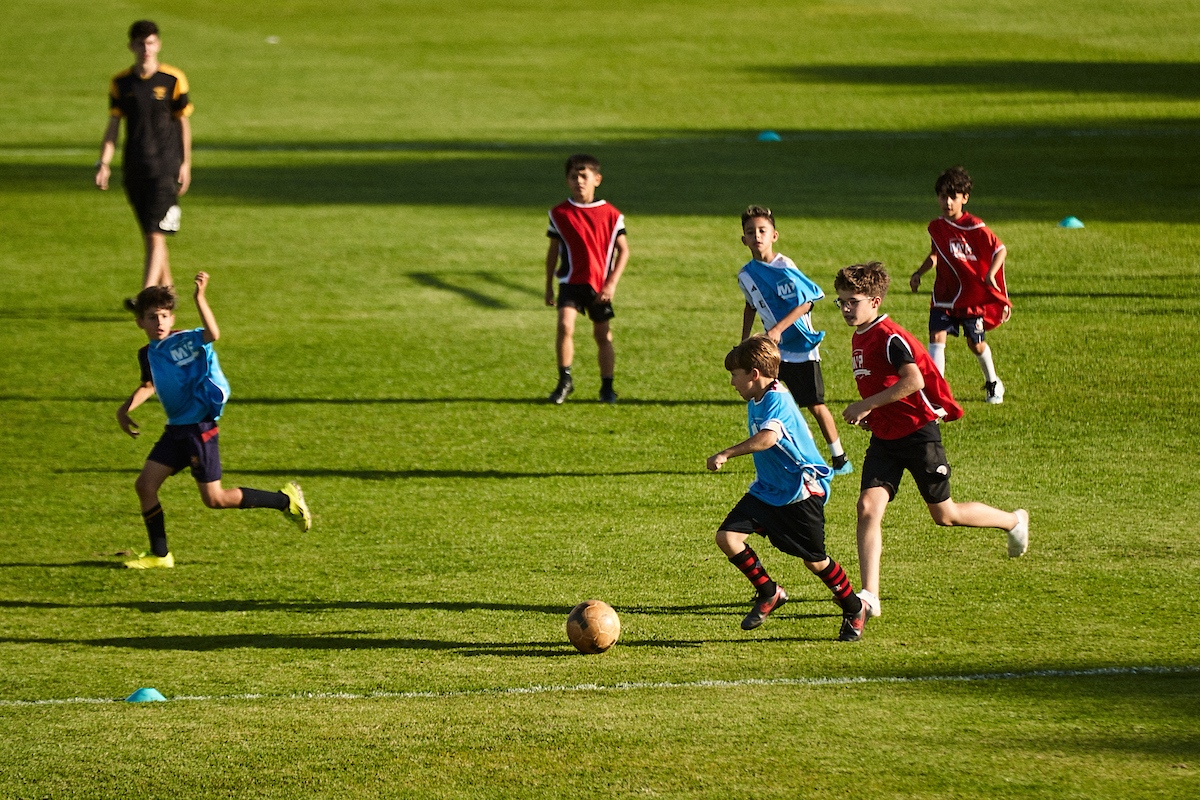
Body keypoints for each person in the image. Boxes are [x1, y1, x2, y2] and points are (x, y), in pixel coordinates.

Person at [834, 261, 1028, 619]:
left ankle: (1013, 521)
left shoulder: (889, 336)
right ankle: (870, 595)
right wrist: (874, 415)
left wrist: (866, 404)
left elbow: (914, 382)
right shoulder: (860, 334)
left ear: (875, 301)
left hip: (919, 434)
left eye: (853, 301)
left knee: (946, 515)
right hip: (885, 437)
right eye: (841, 302)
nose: (846, 308)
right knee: (867, 508)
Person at [116, 273, 311, 568]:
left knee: (215, 499)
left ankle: (285, 501)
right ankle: (160, 555)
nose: (159, 323)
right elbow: (148, 385)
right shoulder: (147, 354)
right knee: (145, 486)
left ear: (172, 318)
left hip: (199, 429)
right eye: (152, 317)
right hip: (176, 431)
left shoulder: (186, 339)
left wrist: (200, 299)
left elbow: (213, 334)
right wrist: (125, 409)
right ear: (139, 322)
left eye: (164, 316)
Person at [706, 335, 868, 641]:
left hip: (799, 492)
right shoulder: (759, 396)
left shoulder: (777, 400)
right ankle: (769, 592)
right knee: (727, 537)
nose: (732, 383)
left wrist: (726, 453)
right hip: (768, 490)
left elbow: (769, 438)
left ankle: (853, 607)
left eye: (734, 376)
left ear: (754, 375)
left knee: (815, 561)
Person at [737, 205, 851, 475]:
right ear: (743, 239)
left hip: (801, 348)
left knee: (814, 404)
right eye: (750, 232)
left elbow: (809, 301)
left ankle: (840, 458)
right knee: (772, 400)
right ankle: (791, 455)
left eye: (762, 231)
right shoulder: (746, 274)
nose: (757, 236)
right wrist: (744, 340)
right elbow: (750, 306)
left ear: (774, 235)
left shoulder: (785, 266)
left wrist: (777, 329)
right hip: (773, 352)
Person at [95, 20, 193, 302]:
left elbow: (183, 123)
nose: (146, 49)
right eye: (140, 43)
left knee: (154, 234)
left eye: (150, 43)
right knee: (154, 235)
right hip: (135, 167)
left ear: (158, 44)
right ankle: (168, 297)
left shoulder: (173, 79)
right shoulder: (121, 83)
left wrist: (185, 164)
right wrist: (104, 162)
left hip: (166, 167)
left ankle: (146, 297)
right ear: (131, 46)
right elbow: (113, 125)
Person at [909, 166, 1012, 403]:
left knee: (975, 344)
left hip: (970, 298)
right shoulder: (937, 227)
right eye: (943, 196)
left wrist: (990, 276)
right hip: (944, 295)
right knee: (937, 337)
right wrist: (919, 272)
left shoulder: (974, 227)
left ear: (964, 198)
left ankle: (993, 382)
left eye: (952, 197)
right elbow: (936, 255)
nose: (947, 202)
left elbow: (1000, 250)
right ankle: (937, 395)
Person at [544, 154, 630, 404]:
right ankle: (565, 381)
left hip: (598, 285)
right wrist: (548, 284)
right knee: (564, 326)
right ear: (567, 181)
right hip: (570, 282)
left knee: (603, 336)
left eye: (584, 176)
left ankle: (607, 386)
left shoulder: (611, 214)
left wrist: (611, 283)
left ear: (597, 179)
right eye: (573, 177)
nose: (579, 181)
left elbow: (623, 249)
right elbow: (552, 252)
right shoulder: (559, 213)